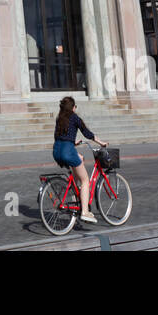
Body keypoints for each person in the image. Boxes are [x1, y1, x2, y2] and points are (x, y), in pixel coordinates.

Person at [52, 95, 107, 224]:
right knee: (85, 180)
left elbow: (59, 136)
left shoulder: (59, 118)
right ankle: (85, 212)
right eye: (75, 106)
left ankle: (76, 191)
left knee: (80, 158)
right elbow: (87, 133)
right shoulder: (74, 117)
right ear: (73, 108)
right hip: (67, 151)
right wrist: (101, 143)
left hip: (57, 151)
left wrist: (73, 142)